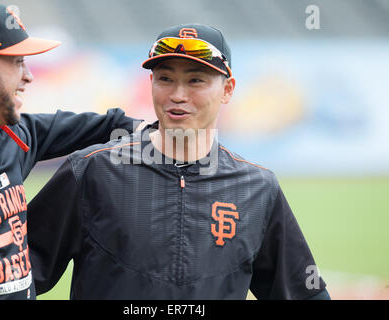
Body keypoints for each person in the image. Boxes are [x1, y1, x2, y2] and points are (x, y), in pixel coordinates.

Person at [28, 23, 330, 300]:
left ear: (227, 90)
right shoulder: (92, 171)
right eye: (165, 79)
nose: (177, 94)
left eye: (195, 80)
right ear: (150, 83)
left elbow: (305, 294)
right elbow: (14, 279)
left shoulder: (258, 189)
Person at [0, 3, 140, 299]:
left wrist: (175, 138)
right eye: (18, 62)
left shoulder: (16, 137)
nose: (29, 76)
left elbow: (114, 125)